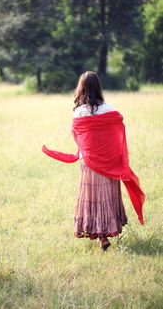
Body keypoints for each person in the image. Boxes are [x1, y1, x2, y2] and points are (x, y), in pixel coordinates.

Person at [42, 71, 145, 251]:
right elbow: (118, 131)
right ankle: (104, 236)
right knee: (106, 199)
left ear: (81, 88)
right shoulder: (110, 109)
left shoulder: (79, 112)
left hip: (89, 163)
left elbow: (79, 137)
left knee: (93, 199)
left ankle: (101, 237)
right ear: (98, 87)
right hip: (109, 163)